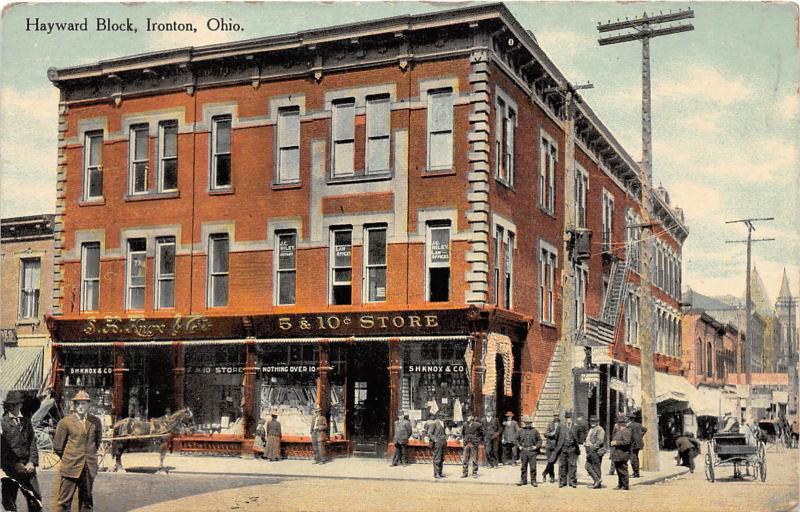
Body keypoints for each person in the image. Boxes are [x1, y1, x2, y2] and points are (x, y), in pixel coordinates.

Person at [53, 390, 103, 512]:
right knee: (64, 502)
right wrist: (70, 457)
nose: (81, 407)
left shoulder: (95, 422)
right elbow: (58, 447)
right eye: (78, 404)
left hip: (88, 467)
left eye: (84, 404)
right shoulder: (65, 422)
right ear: (74, 405)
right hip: (71, 466)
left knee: (86, 502)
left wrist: (89, 457)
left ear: (88, 405)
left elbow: (96, 442)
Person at [1, 390, 42, 512]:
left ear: (21, 405)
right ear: (7, 406)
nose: (14, 407)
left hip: (28, 468)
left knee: (35, 499)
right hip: (10, 468)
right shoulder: (2, 423)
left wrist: (32, 462)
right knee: (9, 501)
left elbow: (32, 443)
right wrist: (15, 464)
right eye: (11, 404)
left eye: (16, 404)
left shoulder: (26, 421)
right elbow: (2, 449)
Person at [515, 416, 541, 487]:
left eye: (529, 423)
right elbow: (516, 439)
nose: (527, 424)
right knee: (523, 467)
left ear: (531, 423)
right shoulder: (520, 430)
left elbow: (539, 440)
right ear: (524, 423)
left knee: (533, 467)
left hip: (532, 451)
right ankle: (523, 480)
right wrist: (519, 446)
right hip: (524, 451)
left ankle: (533, 481)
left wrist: (536, 446)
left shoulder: (535, 431)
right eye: (526, 423)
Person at [557, 412, 580, 488]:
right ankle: (562, 482)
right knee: (562, 465)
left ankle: (572, 481)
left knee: (572, 465)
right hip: (563, 448)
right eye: (567, 418)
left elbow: (579, 437)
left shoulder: (575, 427)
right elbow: (557, 437)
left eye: (570, 418)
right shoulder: (560, 427)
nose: (569, 420)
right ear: (565, 419)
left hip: (572, 449)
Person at [610, 413, 632, 491]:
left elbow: (627, 442)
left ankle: (625, 485)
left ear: (622, 424)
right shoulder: (619, 431)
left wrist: (616, 443)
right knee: (619, 470)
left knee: (623, 470)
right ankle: (620, 484)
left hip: (623, 454)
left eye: (619, 423)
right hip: (617, 454)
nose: (617, 424)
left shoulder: (626, 431)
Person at [584, 415, 606, 489]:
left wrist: (592, 448)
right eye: (591, 421)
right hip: (590, 450)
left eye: (594, 421)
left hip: (596, 451)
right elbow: (588, 438)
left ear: (597, 422)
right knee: (588, 466)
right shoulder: (591, 429)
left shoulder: (600, 429)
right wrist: (585, 443)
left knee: (595, 467)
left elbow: (600, 441)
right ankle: (597, 481)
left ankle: (597, 482)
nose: (592, 422)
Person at [460, 414, 483, 478]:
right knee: (465, 459)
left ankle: (474, 473)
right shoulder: (464, 424)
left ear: (472, 417)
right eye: (467, 417)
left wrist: (477, 440)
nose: (467, 418)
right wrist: (465, 440)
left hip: (474, 444)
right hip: (466, 443)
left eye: (468, 416)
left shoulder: (477, 425)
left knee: (474, 459)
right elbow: (463, 433)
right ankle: (465, 473)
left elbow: (481, 433)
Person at [427, 414, 447, 479]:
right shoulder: (434, 423)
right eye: (442, 416)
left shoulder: (443, 423)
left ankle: (440, 473)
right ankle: (436, 473)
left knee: (442, 458)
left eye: (444, 416)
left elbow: (443, 433)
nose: (444, 417)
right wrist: (435, 440)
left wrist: (445, 438)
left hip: (443, 442)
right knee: (437, 458)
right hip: (437, 443)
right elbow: (429, 433)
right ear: (439, 416)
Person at [627, 411, 646, 478]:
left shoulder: (629, 426)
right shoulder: (638, 424)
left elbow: (629, 435)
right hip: (639, 443)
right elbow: (645, 429)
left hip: (633, 444)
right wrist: (641, 436)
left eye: (628, 418)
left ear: (630, 419)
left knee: (633, 459)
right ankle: (636, 473)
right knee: (636, 458)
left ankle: (636, 473)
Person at [542, 413, 560, 483]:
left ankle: (544, 473)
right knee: (550, 461)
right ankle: (552, 477)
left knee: (552, 461)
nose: (556, 417)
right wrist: (551, 433)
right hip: (549, 445)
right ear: (553, 416)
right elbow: (545, 434)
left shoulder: (561, 424)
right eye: (555, 416)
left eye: (557, 416)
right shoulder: (550, 424)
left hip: (557, 445)